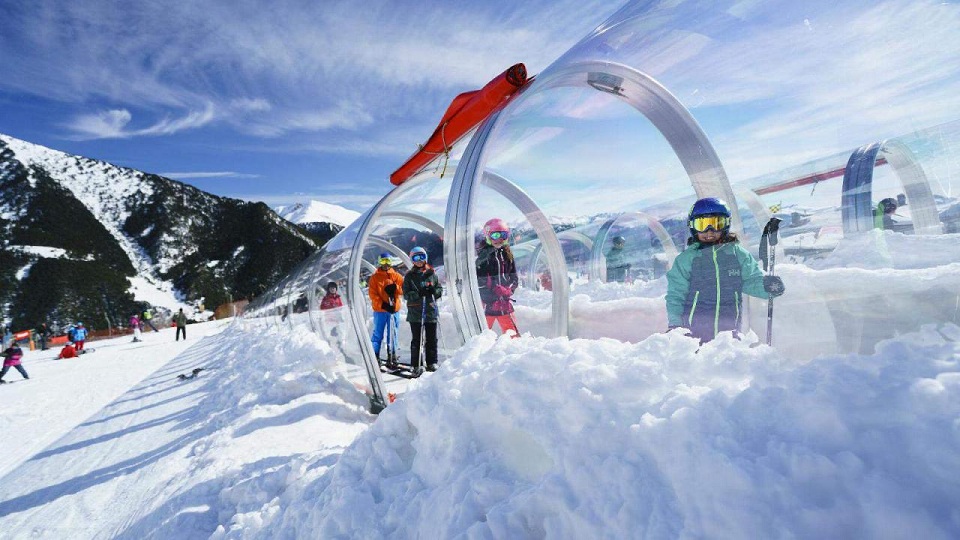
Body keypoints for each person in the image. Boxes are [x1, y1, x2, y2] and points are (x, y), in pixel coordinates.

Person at [665, 197, 785, 343]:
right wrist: (675, 325)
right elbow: (676, 295)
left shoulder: (738, 255)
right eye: (702, 224)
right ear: (692, 226)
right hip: (694, 333)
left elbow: (751, 281)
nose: (710, 231)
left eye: (717, 223)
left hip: (729, 334)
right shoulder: (686, 260)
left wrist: (768, 287)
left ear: (726, 224)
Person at [476, 218, 520, 338]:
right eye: (495, 235)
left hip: (503, 303)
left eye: (503, 235)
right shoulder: (483, 256)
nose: (499, 239)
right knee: (480, 336)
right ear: (488, 235)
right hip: (487, 304)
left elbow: (514, 277)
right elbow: (479, 281)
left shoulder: (507, 254)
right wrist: (493, 292)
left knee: (513, 334)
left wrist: (508, 290)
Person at [402, 246, 443, 376]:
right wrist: (419, 293)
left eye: (422, 257)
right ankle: (416, 364)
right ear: (412, 260)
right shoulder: (409, 276)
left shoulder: (431, 274)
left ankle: (432, 362)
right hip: (415, 312)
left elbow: (439, 289)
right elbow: (406, 295)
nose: (419, 260)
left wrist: (433, 292)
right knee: (417, 339)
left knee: (431, 338)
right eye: (416, 258)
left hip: (430, 310)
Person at [368, 253, 404, 367]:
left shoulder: (397, 276)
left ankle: (392, 354)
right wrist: (383, 305)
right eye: (383, 261)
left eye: (388, 261)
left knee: (393, 333)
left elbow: (403, 290)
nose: (386, 264)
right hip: (380, 310)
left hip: (393, 310)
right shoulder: (375, 277)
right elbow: (373, 295)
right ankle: (375, 355)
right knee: (378, 333)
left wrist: (396, 288)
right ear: (380, 262)